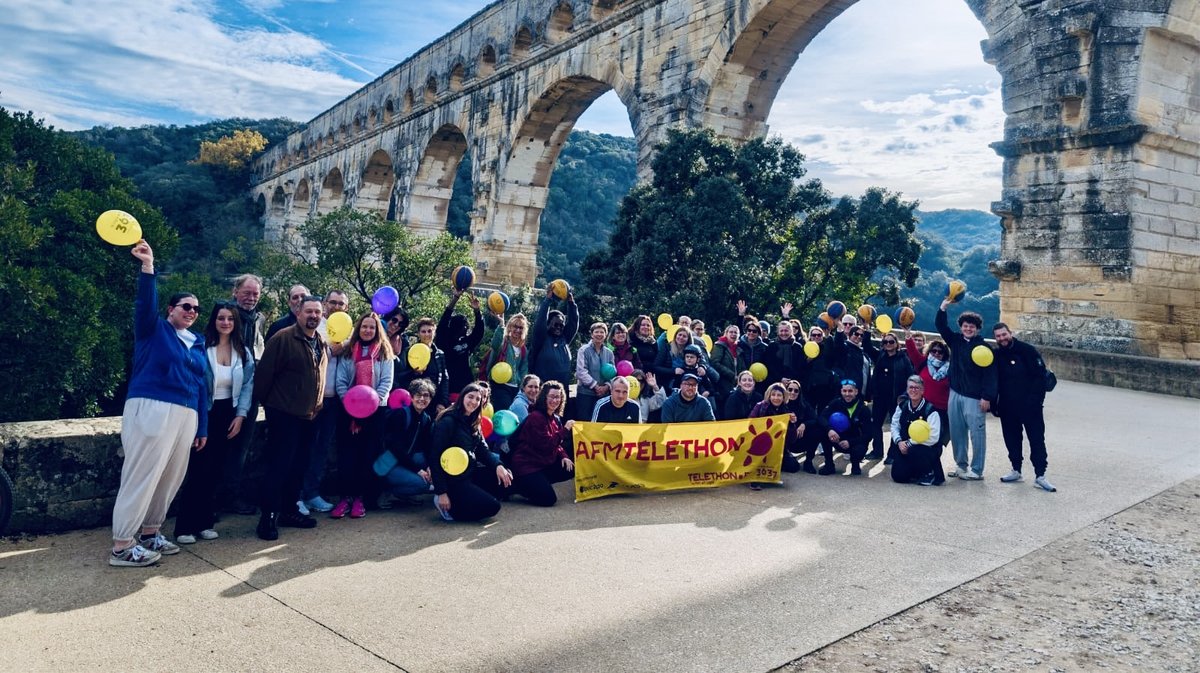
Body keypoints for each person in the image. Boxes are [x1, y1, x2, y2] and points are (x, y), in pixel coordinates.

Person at [109, 240, 207, 567]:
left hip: (186, 413)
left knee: (170, 476)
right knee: (142, 474)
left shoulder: (198, 342)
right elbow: (144, 303)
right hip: (152, 404)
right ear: (171, 309)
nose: (191, 312)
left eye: (196, 309)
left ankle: (151, 532)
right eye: (185, 307)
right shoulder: (154, 329)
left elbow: (200, 385)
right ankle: (122, 545)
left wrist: (201, 425)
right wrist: (148, 267)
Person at [174, 301, 254, 545]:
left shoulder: (243, 351)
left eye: (230, 318)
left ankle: (205, 522)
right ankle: (184, 526)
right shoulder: (201, 346)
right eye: (221, 318)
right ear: (214, 320)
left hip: (228, 415)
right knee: (198, 470)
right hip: (203, 413)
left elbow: (248, 386)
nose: (226, 322)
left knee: (217, 471)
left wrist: (241, 416)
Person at [252, 295, 327, 540]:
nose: (313, 316)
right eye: (309, 311)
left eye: (317, 312)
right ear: (298, 313)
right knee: (279, 466)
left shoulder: (321, 342)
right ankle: (268, 517)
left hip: (310, 416)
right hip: (284, 415)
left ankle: (289, 510)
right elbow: (263, 377)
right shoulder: (283, 338)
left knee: (300, 466)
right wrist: (271, 407)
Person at [330, 312, 394, 519]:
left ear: (377, 331)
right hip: (349, 410)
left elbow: (386, 382)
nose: (368, 330)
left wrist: (371, 403)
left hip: (375, 412)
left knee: (368, 455)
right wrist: (351, 405)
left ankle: (361, 499)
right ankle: (345, 497)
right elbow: (340, 380)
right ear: (359, 328)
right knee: (347, 455)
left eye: (372, 327)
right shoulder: (349, 351)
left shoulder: (384, 352)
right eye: (364, 326)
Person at [428, 383, 513, 522]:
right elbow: (435, 457)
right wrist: (441, 492)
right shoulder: (448, 421)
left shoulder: (474, 421)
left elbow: (483, 450)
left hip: (469, 473)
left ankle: (470, 497)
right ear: (462, 397)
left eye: (478, 399)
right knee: (493, 507)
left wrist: (499, 466)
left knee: (505, 483)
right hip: (453, 481)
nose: (473, 402)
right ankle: (452, 509)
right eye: (470, 397)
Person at [936, 300, 997, 480]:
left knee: (977, 434)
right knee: (957, 432)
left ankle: (977, 470)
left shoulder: (984, 347)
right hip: (955, 393)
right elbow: (941, 326)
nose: (968, 329)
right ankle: (961, 465)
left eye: (972, 326)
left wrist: (987, 397)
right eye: (965, 326)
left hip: (975, 397)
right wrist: (943, 307)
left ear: (977, 329)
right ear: (961, 327)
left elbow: (990, 375)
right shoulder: (955, 341)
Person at [301, 290, 350, 515]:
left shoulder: (349, 331)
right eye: (333, 302)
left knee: (321, 450)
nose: (336, 306)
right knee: (303, 448)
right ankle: (297, 495)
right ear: (325, 304)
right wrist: (331, 350)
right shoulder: (314, 327)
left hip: (334, 400)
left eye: (341, 303)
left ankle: (312, 494)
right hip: (310, 400)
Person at [222, 273, 268, 515]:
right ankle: (212, 501)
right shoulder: (227, 316)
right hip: (225, 393)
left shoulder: (258, 319)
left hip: (249, 393)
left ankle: (230, 496)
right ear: (235, 292)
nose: (251, 298)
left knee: (240, 448)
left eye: (255, 294)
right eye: (247, 293)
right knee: (219, 446)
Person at [992, 323, 1056, 492]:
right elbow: (993, 381)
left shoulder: (1027, 350)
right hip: (1007, 406)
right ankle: (1016, 469)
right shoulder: (996, 354)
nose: (1002, 338)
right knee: (1012, 439)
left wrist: (1034, 402)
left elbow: (1040, 378)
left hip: (1030, 407)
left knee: (1036, 440)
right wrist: (994, 404)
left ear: (1010, 333)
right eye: (998, 336)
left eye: (1004, 334)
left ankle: (1040, 475)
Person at [509, 381, 576, 506]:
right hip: (526, 466)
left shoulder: (554, 418)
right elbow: (547, 445)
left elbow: (557, 443)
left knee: (570, 468)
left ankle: (538, 483)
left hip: (542, 463)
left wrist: (564, 456)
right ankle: (518, 487)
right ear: (544, 397)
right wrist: (565, 430)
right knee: (548, 499)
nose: (555, 400)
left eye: (558, 397)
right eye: (551, 396)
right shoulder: (536, 417)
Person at [375, 379, 436, 501]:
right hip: (389, 464)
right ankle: (387, 492)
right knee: (423, 485)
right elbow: (395, 448)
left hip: (405, 460)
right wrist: (418, 470)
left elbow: (427, 446)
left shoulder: (426, 418)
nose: (422, 399)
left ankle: (404, 490)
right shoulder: (400, 414)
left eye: (426, 396)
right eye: (418, 395)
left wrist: (430, 467)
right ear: (411, 397)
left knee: (427, 464)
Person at [866, 329, 914, 463]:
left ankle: (892, 454)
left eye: (891, 341)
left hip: (896, 398)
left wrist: (905, 395)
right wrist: (867, 329)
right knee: (876, 424)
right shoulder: (880, 355)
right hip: (879, 397)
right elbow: (867, 347)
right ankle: (877, 451)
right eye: (885, 342)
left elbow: (910, 377)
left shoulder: (903, 358)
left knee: (895, 426)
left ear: (896, 343)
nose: (888, 344)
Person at [889, 376, 944, 485]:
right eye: (911, 387)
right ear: (907, 389)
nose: (913, 390)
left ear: (922, 390)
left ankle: (929, 473)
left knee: (915, 450)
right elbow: (894, 426)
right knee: (898, 476)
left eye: (917, 388)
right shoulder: (902, 406)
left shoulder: (931, 410)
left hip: (927, 449)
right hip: (905, 446)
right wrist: (899, 442)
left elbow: (933, 437)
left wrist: (909, 443)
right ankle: (915, 472)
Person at [528, 288, 580, 402]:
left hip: (562, 392)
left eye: (561, 325)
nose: (559, 328)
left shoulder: (564, 339)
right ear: (548, 324)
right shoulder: (541, 338)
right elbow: (540, 321)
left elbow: (573, 324)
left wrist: (571, 303)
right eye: (555, 324)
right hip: (543, 392)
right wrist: (547, 300)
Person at [904, 330, 951, 455]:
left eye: (940, 351)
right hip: (923, 408)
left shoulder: (950, 368)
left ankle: (933, 468)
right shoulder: (923, 363)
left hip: (941, 410)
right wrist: (908, 336)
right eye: (933, 351)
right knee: (918, 438)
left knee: (936, 440)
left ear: (944, 354)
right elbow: (912, 352)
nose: (936, 353)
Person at [818, 379, 872, 476]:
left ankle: (855, 465)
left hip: (854, 442)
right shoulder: (836, 403)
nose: (847, 394)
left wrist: (850, 442)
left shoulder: (864, 409)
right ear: (841, 391)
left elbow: (869, 435)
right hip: (837, 438)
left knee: (859, 450)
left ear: (856, 392)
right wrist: (829, 430)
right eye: (844, 391)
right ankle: (829, 465)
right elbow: (822, 417)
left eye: (850, 391)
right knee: (822, 430)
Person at [436, 289, 484, 394]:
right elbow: (443, 321)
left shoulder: (466, 342)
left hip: (465, 387)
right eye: (464, 325)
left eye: (466, 325)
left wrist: (477, 311)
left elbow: (478, 332)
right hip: (448, 387)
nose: (466, 327)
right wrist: (455, 298)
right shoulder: (444, 340)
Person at [749, 383, 802, 476]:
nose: (776, 398)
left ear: (783, 397)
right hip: (759, 446)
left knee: (793, 466)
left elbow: (792, 439)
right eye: (773, 395)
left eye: (779, 395)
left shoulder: (786, 411)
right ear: (769, 395)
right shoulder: (760, 407)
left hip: (778, 449)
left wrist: (792, 424)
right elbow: (750, 424)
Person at [398, 317, 450, 411]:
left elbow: (444, 380)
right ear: (418, 334)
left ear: (434, 332)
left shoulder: (440, 354)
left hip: (434, 402)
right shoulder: (409, 352)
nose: (427, 334)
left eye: (430, 331)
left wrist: (443, 402)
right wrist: (413, 372)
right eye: (423, 331)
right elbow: (400, 377)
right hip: (415, 401)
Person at [484, 313, 529, 411]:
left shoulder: (523, 349)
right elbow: (495, 345)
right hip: (500, 386)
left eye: (521, 327)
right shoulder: (503, 343)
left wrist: (522, 388)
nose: (518, 330)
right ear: (510, 327)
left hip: (515, 388)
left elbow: (523, 370)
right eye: (515, 326)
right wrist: (501, 325)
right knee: (504, 411)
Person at [575, 322, 616, 421]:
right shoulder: (583, 350)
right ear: (592, 334)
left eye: (602, 332)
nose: (599, 334)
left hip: (604, 395)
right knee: (585, 422)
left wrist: (606, 386)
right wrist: (595, 386)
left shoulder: (609, 353)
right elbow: (581, 371)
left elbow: (613, 372)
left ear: (605, 335)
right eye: (596, 332)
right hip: (585, 393)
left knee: (601, 422)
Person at [784, 379, 821, 473]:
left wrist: (804, 424)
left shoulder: (804, 405)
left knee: (818, 430)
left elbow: (815, 419)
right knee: (792, 468)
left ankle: (808, 462)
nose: (792, 392)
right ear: (786, 390)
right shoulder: (781, 404)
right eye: (790, 389)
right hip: (784, 442)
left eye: (796, 390)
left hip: (800, 439)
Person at [710, 324, 747, 414]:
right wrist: (732, 375)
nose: (733, 334)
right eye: (731, 332)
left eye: (736, 332)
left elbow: (742, 366)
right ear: (726, 333)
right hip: (722, 385)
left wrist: (741, 377)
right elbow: (715, 363)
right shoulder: (719, 346)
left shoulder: (739, 349)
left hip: (736, 384)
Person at [802, 325, 839, 410]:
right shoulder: (805, 348)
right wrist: (807, 360)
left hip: (825, 385)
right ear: (810, 336)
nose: (816, 337)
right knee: (809, 409)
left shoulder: (827, 346)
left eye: (819, 335)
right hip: (810, 386)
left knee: (823, 410)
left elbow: (832, 358)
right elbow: (801, 367)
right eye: (814, 335)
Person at [763, 319, 806, 386]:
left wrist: (790, 380)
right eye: (781, 331)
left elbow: (800, 367)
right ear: (778, 332)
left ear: (791, 331)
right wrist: (780, 378)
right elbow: (769, 365)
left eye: (786, 331)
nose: (783, 333)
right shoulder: (772, 346)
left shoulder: (798, 347)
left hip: (793, 383)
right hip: (774, 382)